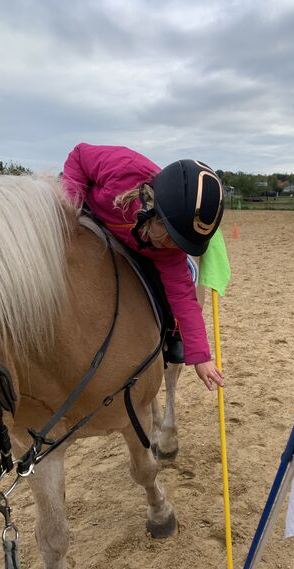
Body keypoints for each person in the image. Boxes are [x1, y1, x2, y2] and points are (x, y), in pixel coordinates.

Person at [62, 143, 224, 391]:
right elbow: (80, 155)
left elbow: (184, 299)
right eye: (171, 236)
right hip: (92, 213)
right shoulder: (123, 168)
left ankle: (171, 333)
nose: (173, 247)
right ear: (154, 211)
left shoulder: (169, 249)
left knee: (177, 284)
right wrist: (70, 206)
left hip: (134, 241)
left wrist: (202, 357)